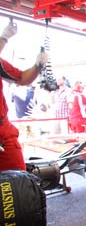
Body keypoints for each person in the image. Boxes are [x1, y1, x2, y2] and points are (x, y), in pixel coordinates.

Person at [0, 21, 48, 171]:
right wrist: (4, 38)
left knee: (19, 181)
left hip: (3, 132)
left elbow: (22, 79)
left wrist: (38, 65)